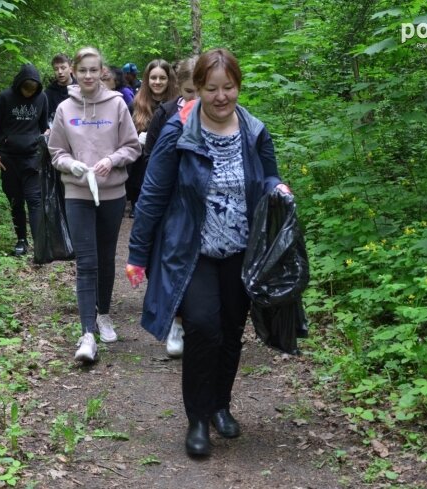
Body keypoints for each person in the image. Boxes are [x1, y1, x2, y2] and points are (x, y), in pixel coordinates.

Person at [125, 48, 292, 457]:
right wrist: (137, 254)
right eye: (212, 88)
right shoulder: (178, 132)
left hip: (242, 250)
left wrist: (276, 187)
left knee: (232, 329)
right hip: (192, 250)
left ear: (238, 87)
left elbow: (267, 174)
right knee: (203, 327)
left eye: (228, 87)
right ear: (197, 88)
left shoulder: (254, 131)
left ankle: (220, 405)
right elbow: (153, 194)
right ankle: (197, 419)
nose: (221, 97)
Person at [48, 46, 141, 363]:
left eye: (93, 70)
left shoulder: (117, 104)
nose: (88, 75)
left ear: (102, 72)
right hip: (77, 193)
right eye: (82, 70)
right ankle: (87, 333)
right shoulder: (64, 108)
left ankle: (103, 314)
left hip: (112, 193)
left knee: (105, 257)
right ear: (74, 71)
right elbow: (56, 151)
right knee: (86, 262)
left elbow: (132, 147)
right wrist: (71, 164)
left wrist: (112, 160)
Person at [141, 55, 198, 358]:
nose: (197, 99)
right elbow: (150, 157)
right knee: (172, 262)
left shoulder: (227, 117)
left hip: (205, 209)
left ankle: (196, 324)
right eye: (190, 92)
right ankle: (176, 321)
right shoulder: (166, 114)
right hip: (172, 204)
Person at [0, 63, 49, 256]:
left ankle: (40, 244)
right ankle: (21, 239)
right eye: (26, 89)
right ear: (19, 84)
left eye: (33, 90)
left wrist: (47, 137)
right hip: (9, 159)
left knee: (34, 200)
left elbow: (44, 125)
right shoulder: (3, 98)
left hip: (32, 157)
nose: (29, 94)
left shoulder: (42, 98)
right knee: (16, 200)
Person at [126, 59, 177, 217]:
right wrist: (137, 140)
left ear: (169, 80)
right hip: (140, 171)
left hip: (168, 170)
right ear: (147, 79)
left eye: (162, 78)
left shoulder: (177, 105)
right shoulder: (135, 105)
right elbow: (124, 138)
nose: (157, 82)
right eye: (153, 78)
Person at [44, 53, 74, 122]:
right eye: (56, 69)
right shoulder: (48, 93)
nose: (60, 72)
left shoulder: (80, 89)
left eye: (63, 68)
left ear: (71, 69)